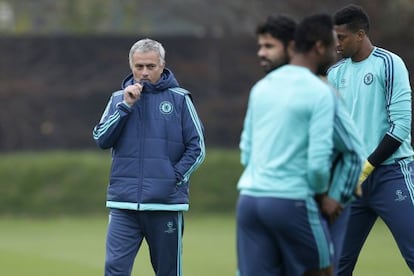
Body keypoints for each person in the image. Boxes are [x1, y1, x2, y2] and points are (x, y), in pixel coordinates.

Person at [239, 14, 364, 274]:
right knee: (323, 271)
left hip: (249, 199)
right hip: (293, 201)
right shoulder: (320, 91)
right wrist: (326, 196)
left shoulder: (261, 87)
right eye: (332, 45)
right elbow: (322, 162)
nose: (336, 51)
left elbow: (247, 151)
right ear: (319, 46)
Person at [92, 38, 205, 276]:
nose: (144, 73)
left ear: (162, 66)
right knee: (114, 270)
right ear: (131, 66)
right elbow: (102, 139)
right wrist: (125, 107)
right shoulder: (117, 99)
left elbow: (197, 148)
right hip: (123, 204)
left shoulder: (180, 99)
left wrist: (171, 178)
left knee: (168, 272)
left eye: (150, 67)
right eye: (139, 66)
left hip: (164, 204)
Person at [328, 4, 414, 274]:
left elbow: (400, 127)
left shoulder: (388, 63)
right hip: (352, 184)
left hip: (391, 175)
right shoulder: (334, 74)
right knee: (336, 264)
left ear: (360, 34)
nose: (336, 43)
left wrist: (367, 166)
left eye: (341, 37)